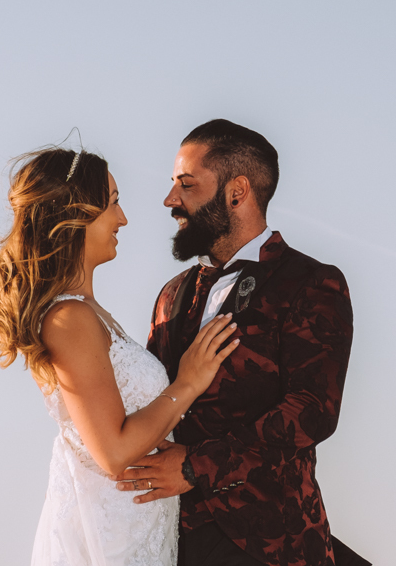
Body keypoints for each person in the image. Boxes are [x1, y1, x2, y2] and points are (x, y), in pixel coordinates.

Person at [112, 120, 367, 566]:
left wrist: (196, 466)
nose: (171, 200)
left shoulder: (311, 283)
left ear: (237, 190)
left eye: (186, 185)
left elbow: (311, 410)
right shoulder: (169, 295)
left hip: (270, 543)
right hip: (169, 541)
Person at [0, 147, 240, 566]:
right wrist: (188, 383)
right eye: (113, 202)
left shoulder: (90, 313)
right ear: (75, 215)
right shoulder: (68, 318)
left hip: (139, 531)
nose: (123, 218)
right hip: (109, 543)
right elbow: (113, 452)